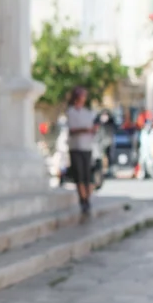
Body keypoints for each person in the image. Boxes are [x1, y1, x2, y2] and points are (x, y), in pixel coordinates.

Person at [66, 87, 95, 216]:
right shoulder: (71, 112)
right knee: (79, 175)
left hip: (87, 147)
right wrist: (84, 130)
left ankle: (87, 199)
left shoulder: (87, 112)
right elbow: (72, 130)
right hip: (75, 147)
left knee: (87, 176)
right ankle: (82, 200)